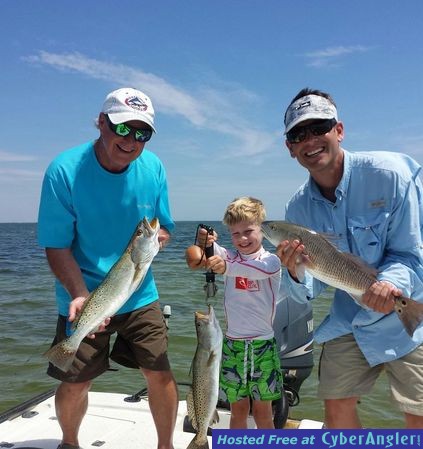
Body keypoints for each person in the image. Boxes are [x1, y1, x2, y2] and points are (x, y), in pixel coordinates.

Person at [38, 87, 178, 449]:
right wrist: (79, 294)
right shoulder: (64, 171)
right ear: (101, 123)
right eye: (123, 129)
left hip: (139, 291)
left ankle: (167, 446)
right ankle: (69, 443)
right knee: (75, 381)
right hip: (83, 294)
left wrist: (155, 240)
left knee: (159, 373)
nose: (132, 141)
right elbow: (55, 245)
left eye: (142, 133)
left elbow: (162, 227)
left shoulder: (154, 168)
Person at [277, 87, 423, 428]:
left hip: (409, 313)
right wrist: (296, 275)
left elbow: (413, 255)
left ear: (339, 130)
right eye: (299, 133)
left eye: (319, 128)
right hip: (350, 320)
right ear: (290, 148)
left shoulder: (392, 175)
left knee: (419, 415)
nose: (310, 139)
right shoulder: (297, 209)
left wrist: (388, 284)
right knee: (336, 409)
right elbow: (310, 291)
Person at [185, 197, 282, 429]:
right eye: (235, 234)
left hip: (263, 347)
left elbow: (254, 270)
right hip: (232, 346)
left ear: (262, 229)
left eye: (248, 231)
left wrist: (227, 267)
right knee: (237, 410)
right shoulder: (229, 256)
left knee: (263, 412)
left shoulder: (271, 261)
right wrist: (205, 241)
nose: (242, 239)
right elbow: (204, 253)